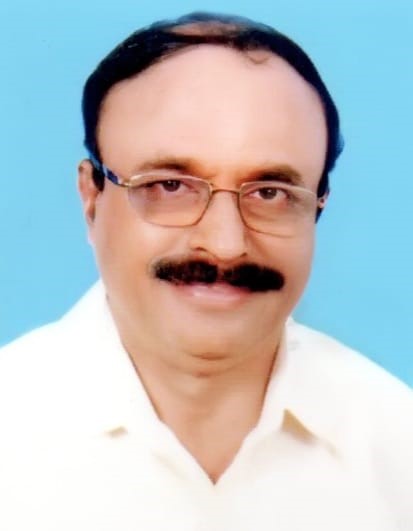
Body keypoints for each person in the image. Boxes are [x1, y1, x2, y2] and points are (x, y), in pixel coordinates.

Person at [0, 11, 411, 531]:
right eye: (169, 186)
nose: (225, 244)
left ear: (318, 206)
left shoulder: (397, 450)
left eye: (270, 193)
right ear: (91, 199)